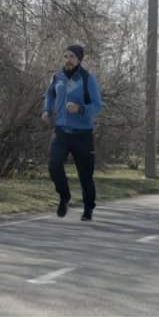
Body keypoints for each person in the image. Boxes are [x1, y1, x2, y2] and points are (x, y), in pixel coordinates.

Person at [42, 44, 103, 221]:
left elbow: (98, 106)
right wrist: (47, 110)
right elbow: (50, 95)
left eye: (72, 57)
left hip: (82, 133)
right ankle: (64, 196)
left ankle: (88, 207)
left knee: (85, 175)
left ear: (79, 59)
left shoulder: (87, 79)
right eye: (66, 56)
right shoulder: (57, 77)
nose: (68, 60)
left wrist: (81, 109)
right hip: (61, 131)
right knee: (53, 164)